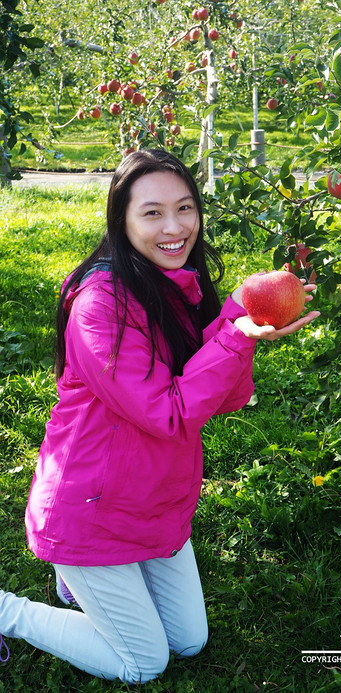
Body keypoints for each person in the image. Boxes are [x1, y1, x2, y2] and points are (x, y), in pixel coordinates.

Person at [0, 149, 319, 683]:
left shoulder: (174, 284)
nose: (175, 228)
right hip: (91, 505)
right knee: (143, 663)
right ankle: (11, 610)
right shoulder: (99, 304)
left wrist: (239, 321)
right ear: (120, 220)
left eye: (186, 208)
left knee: (189, 642)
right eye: (152, 213)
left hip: (151, 500)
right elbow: (167, 413)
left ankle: (80, 584)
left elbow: (225, 397)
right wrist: (235, 337)